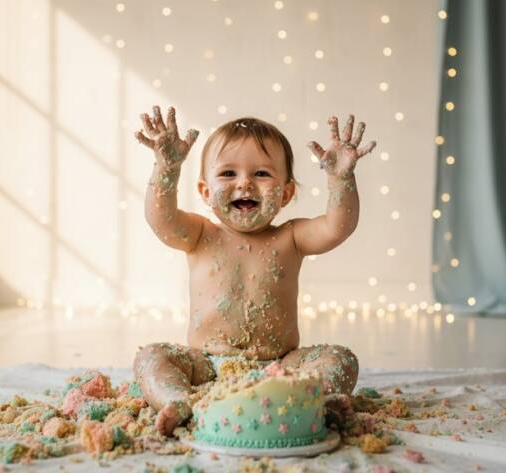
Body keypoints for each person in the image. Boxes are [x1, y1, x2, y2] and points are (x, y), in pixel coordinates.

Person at [132, 105, 376, 436]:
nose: (245, 183)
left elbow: (337, 227)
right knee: (151, 356)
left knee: (340, 359)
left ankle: (317, 399)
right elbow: (160, 219)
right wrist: (167, 168)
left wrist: (341, 178)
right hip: (204, 366)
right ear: (205, 192)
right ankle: (180, 400)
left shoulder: (290, 236)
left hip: (280, 368)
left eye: (261, 174)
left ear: (287, 192)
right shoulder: (201, 234)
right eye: (228, 174)